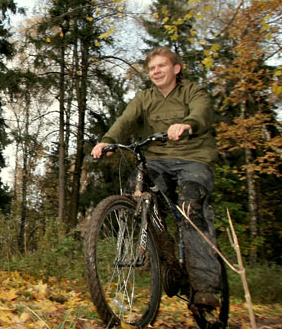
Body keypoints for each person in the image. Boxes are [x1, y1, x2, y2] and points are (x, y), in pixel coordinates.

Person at [90, 46, 221, 309]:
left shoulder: (192, 91)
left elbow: (202, 110)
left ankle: (205, 287)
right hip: (157, 161)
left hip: (193, 159)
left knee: (190, 210)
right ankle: (158, 252)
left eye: (161, 66)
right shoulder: (145, 98)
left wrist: (188, 124)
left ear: (176, 68)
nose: (156, 71)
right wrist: (107, 141)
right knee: (137, 193)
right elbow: (126, 120)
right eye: (152, 68)